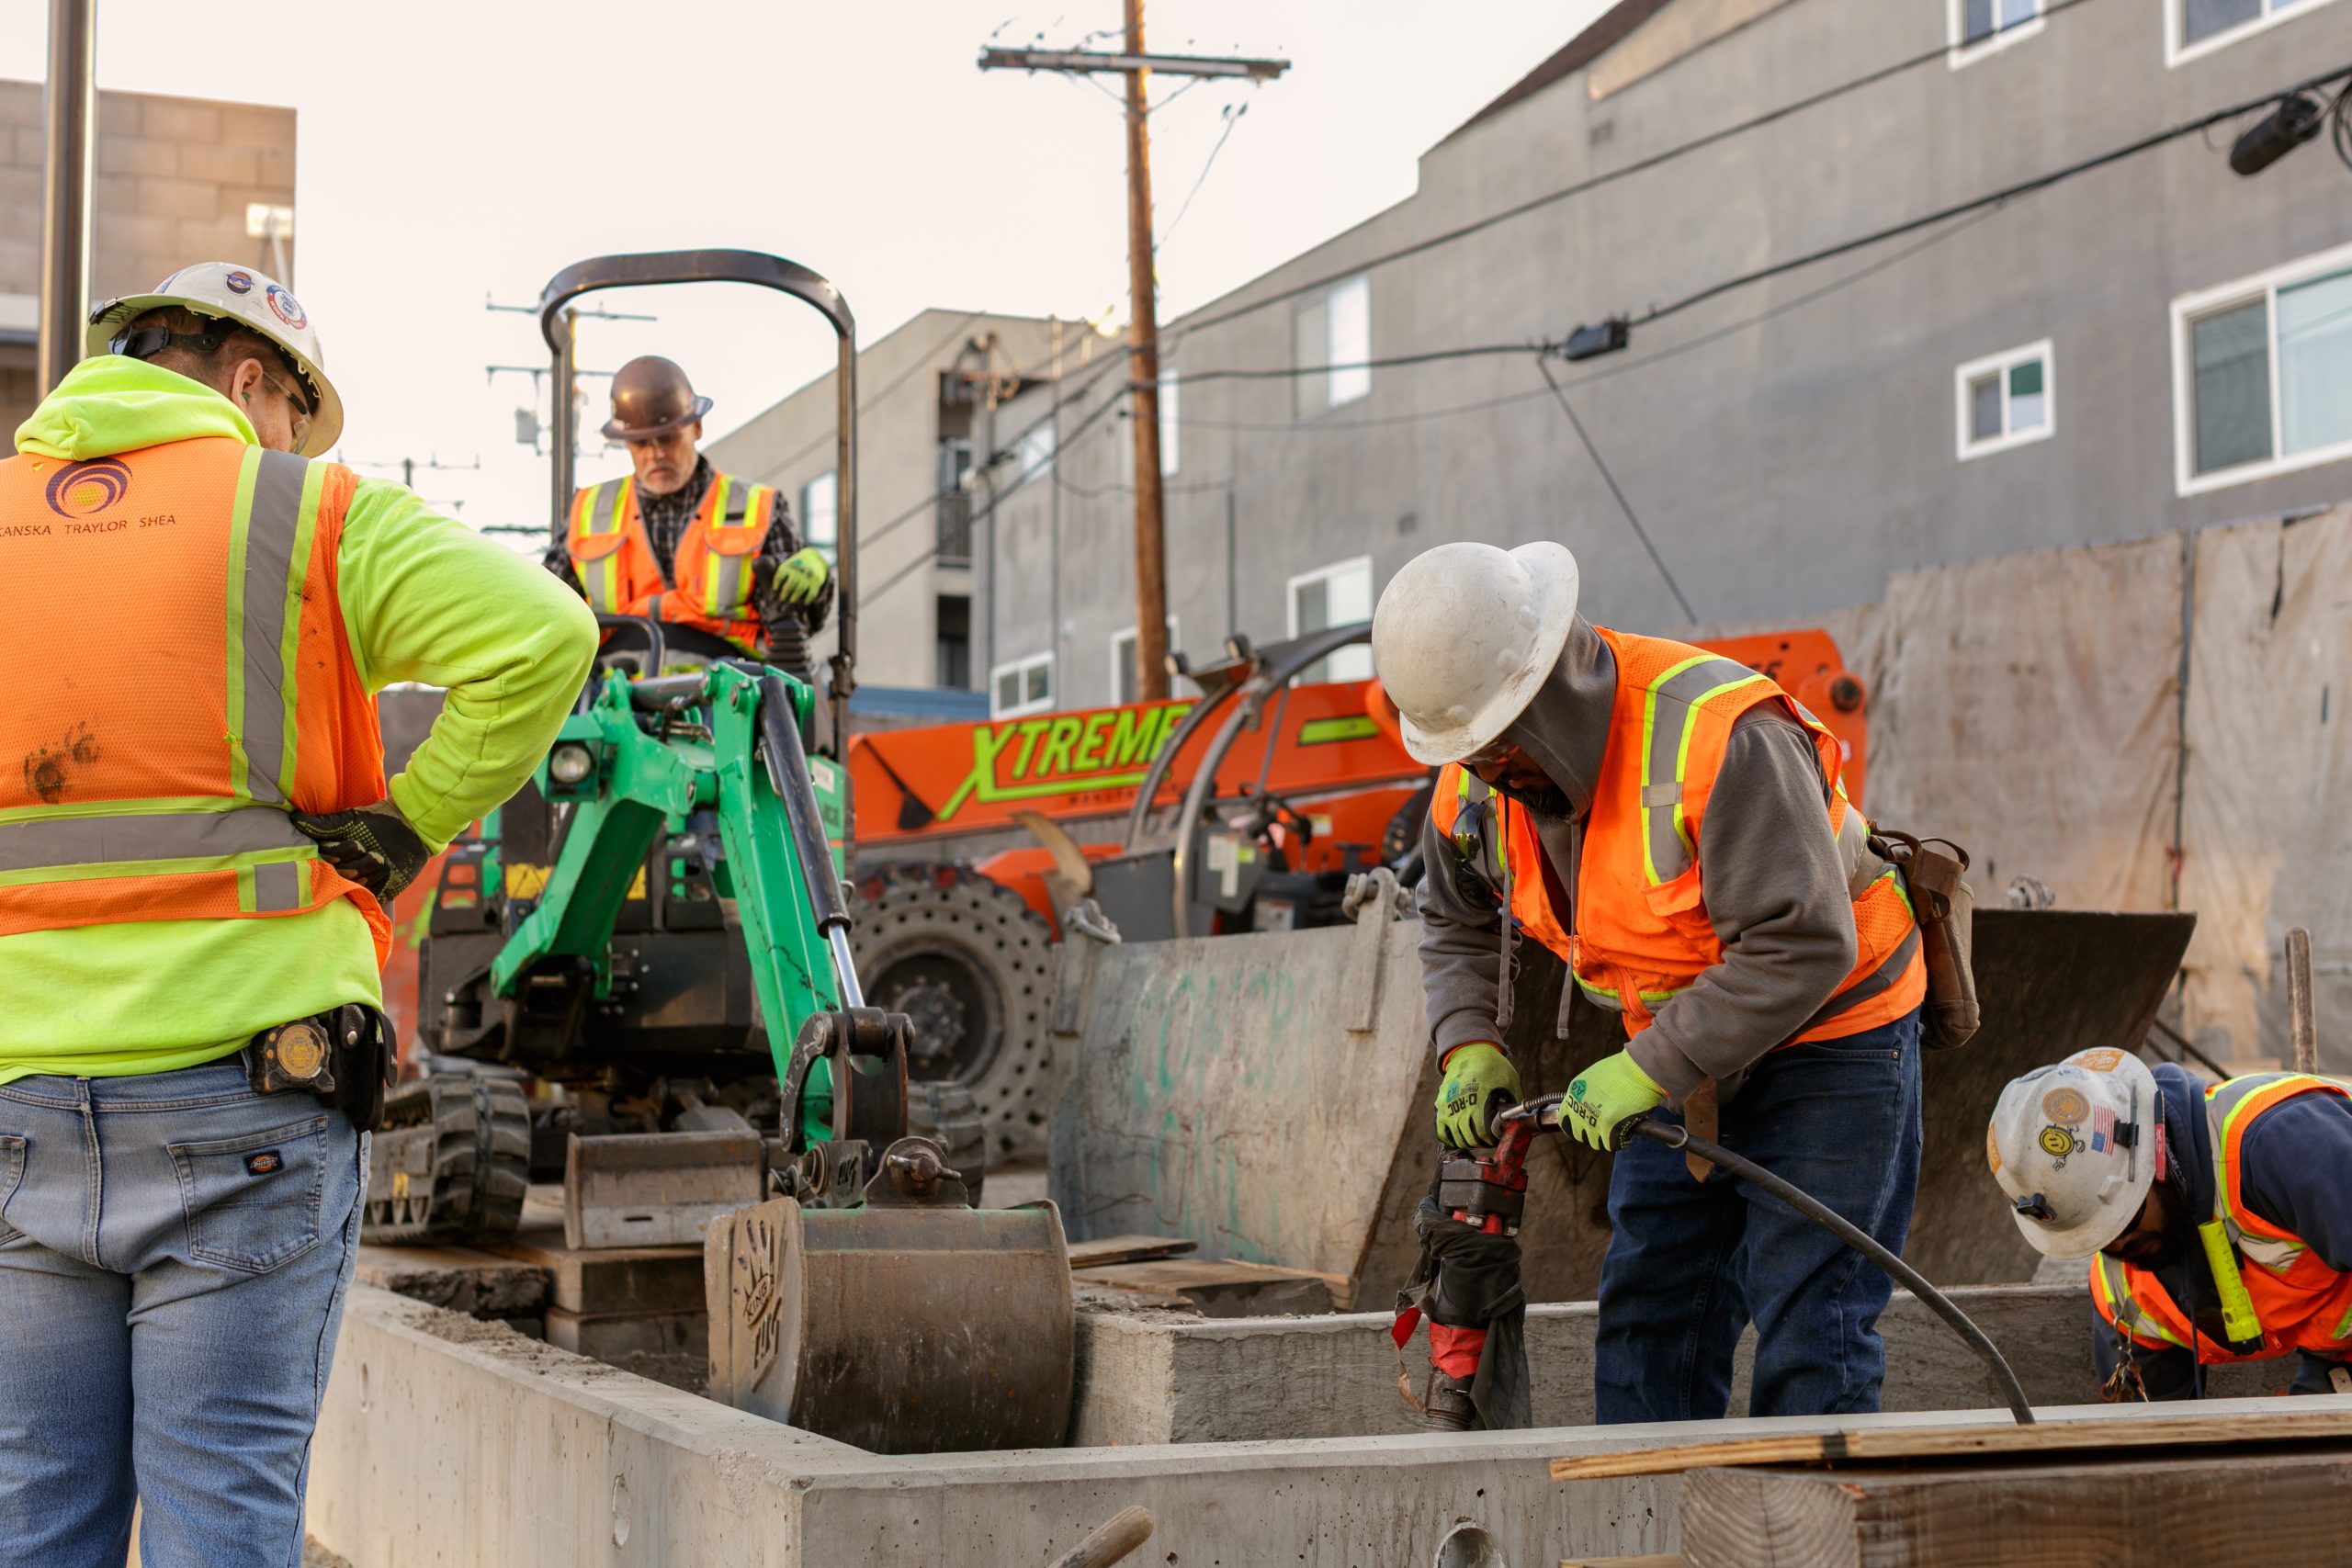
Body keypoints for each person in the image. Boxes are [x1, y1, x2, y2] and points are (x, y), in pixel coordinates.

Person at [0, 262, 596, 1565]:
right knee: (223, 1511)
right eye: (290, 411)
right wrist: (403, 827)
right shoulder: (303, 516)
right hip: (247, 1087)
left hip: (17, 1099)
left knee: (36, 1517)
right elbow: (545, 633)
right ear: (252, 379)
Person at [1374, 540, 1926, 1429]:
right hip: (1679, 1060)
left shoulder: (1721, 737)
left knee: (1808, 1321)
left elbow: (1801, 943)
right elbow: (1455, 920)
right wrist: (1467, 1041)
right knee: (1649, 1318)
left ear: (1547, 691)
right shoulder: (1473, 785)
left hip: (1832, 1038)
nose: (1487, 770)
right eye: (1468, 750)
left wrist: (1650, 1068)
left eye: (1500, 743)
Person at [1989, 1047, 2352, 1400]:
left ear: (2158, 1158)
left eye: (2125, 1217)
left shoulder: (2283, 1144)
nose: (2117, 1246)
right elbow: (2152, 1439)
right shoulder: (2125, 1294)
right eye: (2099, 1233)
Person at [546, 355, 832, 679]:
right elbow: (549, 609)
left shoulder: (756, 507)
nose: (655, 453)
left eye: (667, 438)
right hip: (610, 691)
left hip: (726, 689)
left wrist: (815, 581)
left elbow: (795, 624)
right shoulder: (588, 511)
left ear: (696, 427)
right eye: (641, 442)